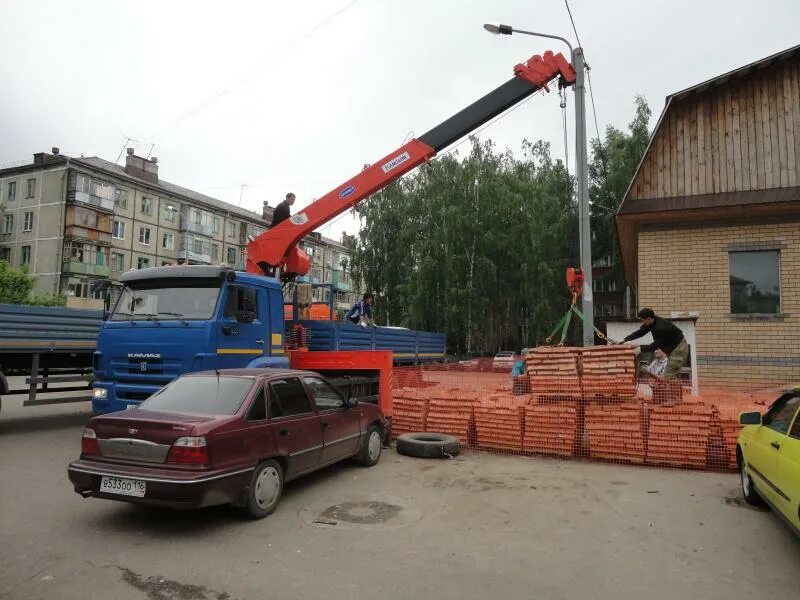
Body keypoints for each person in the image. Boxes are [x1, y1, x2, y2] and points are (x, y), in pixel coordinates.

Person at [623, 308, 689, 380]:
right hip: (674, 348)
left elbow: (656, 345)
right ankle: (674, 389)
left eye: (642, 320)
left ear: (648, 318)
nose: (642, 322)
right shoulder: (652, 321)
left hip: (679, 349)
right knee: (673, 375)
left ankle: (674, 390)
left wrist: (640, 349)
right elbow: (641, 332)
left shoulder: (660, 328)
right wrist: (625, 339)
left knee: (670, 376)